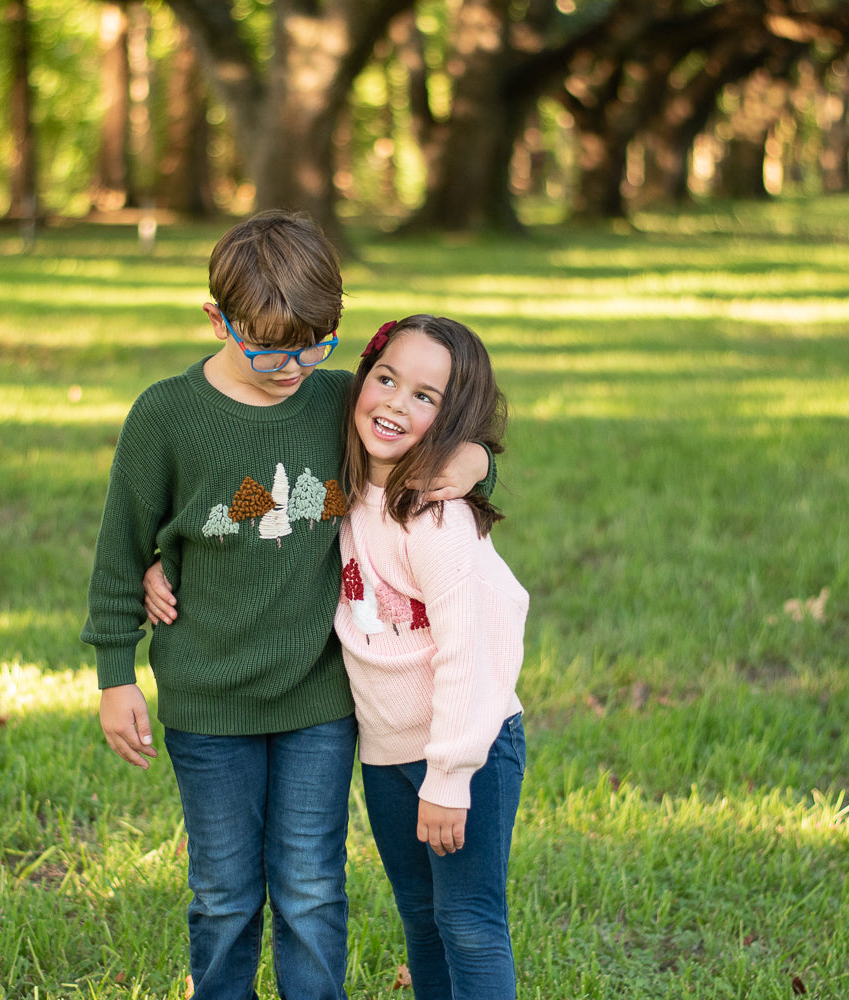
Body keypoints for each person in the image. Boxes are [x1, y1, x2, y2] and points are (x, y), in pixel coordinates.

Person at [81, 211, 490, 1000]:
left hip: (318, 700)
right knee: (227, 895)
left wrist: (471, 459)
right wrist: (115, 672)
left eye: (317, 344)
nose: (292, 365)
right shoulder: (164, 416)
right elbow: (120, 551)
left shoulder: (337, 398)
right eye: (269, 346)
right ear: (216, 319)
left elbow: (435, 444)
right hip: (207, 703)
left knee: (310, 889)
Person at [335, 314, 527, 1000]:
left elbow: (471, 653)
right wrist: (164, 563)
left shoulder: (436, 517)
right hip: (386, 754)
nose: (393, 402)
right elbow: (250, 513)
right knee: (422, 920)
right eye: (385, 378)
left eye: (425, 397)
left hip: (465, 751)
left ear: (455, 421)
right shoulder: (342, 487)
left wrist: (449, 776)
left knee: (468, 921)